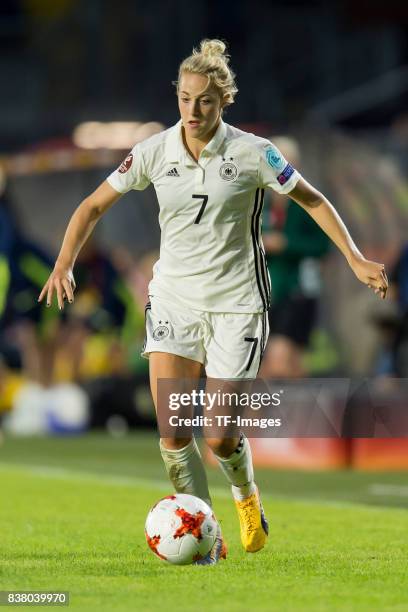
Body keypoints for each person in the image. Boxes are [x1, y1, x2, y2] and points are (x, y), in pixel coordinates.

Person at [39, 39, 388, 565]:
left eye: (204, 101)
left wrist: (356, 258)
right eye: (184, 99)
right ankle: (205, 538)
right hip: (175, 302)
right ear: (176, 98)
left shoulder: (254, 152)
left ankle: (246, 496)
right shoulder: (155, 152)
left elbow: (312, 199)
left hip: (237, 306)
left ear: (223, 101)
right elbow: (91, 207)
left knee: (219, 434)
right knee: (173, 434)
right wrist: (64, 262)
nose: (192, 111)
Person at [261, 136, 330, 378]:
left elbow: (323, 245)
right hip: (265, 292)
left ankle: (294, 414)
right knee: (268, 366)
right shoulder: (261, 204)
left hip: (298, 290)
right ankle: (281, 415)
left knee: (281, 358)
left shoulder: (307, 202)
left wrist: (286, 244)